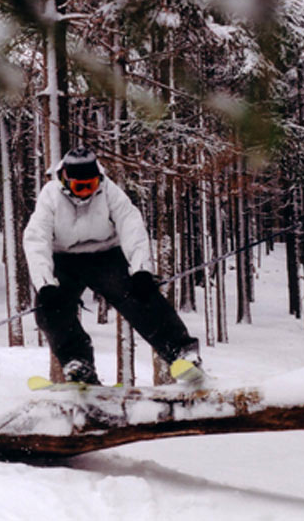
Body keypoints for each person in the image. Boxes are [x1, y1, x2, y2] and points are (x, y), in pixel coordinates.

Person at [22, 146, 200, 385]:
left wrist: (141, 270)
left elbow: (131, 226)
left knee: (140, 296)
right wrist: (45, 284)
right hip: (64, 258)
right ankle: (78, 364)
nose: (87, 192)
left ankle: (182, 353)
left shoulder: (109, 191)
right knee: (51, 309)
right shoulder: (50, 196)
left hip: (105, 255)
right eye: (80, 186)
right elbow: (36, 239)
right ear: (66, 180)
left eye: (92, 184)